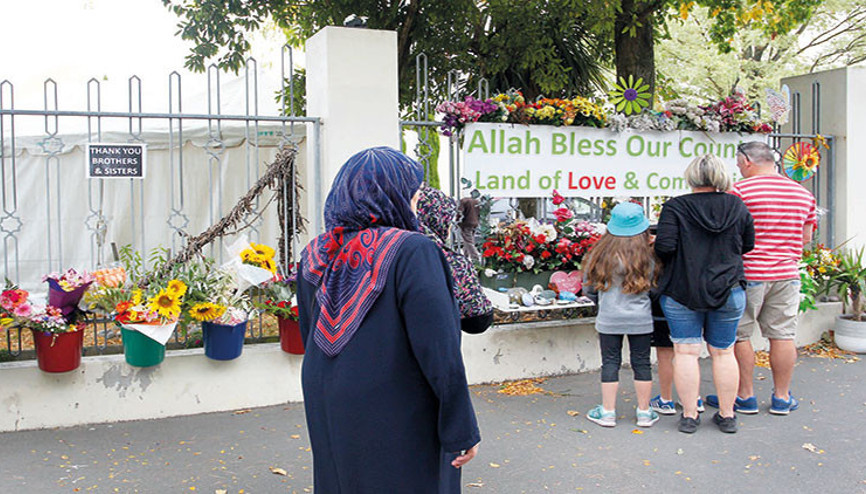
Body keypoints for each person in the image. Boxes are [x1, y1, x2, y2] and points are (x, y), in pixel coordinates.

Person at [297, 146, 481, 493]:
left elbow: (311, 334)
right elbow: (440, 351)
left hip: (327, 393)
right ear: (393, 195)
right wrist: (461, 429)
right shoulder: (412, 250)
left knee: (341, 480)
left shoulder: (317, 251)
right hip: (398, 401)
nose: (415, 204)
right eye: (412, 195)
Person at [706, 141, 817, 415]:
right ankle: (781, 396)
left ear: (746, 161)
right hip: (786, 274)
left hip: (749, 273)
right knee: (782, 335)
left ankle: (745, 395)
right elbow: (807, 238)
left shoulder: (740, 191)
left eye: (737, 162)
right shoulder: (803, 194)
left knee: (740, 335)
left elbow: (727, 233)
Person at [655, 154, 755, 434]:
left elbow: (664, 247)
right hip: (729, 289)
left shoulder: (675, 207)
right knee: (723, 352)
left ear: (692, 176)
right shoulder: (737, 205)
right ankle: (726, 415)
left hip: (681, 290)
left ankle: (689, 416)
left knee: (685, 352)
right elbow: (748, 244)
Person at [582, 202, 660, 429]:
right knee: (642, 364)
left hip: (609, 318)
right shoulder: (649, 257)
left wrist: (603, 304)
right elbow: (655, 288)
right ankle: (644, 412)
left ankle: (607, 412)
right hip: (641, 319)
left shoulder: (599, 254)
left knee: (609, 363)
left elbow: (589, 289)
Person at [417, 185, 494, 334]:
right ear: (437, 218)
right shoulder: (448, 262)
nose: (449, 227)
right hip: (428, 348)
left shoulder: (381, 241)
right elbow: (478, 320)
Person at [648, 295, 706, 415]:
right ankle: (694, 398)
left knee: (665, 353)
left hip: (665, 300)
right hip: (694, 300)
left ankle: (666, 399)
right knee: (690, 353)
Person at [458, 195, 481, 263]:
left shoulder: (463, 201)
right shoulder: (476, 201)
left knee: (468, 241)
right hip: (475, 223)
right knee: (469, 240)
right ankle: (465, 256)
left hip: (466, 223)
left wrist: (457, 221)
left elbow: (460, 212)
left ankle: (475, 257)